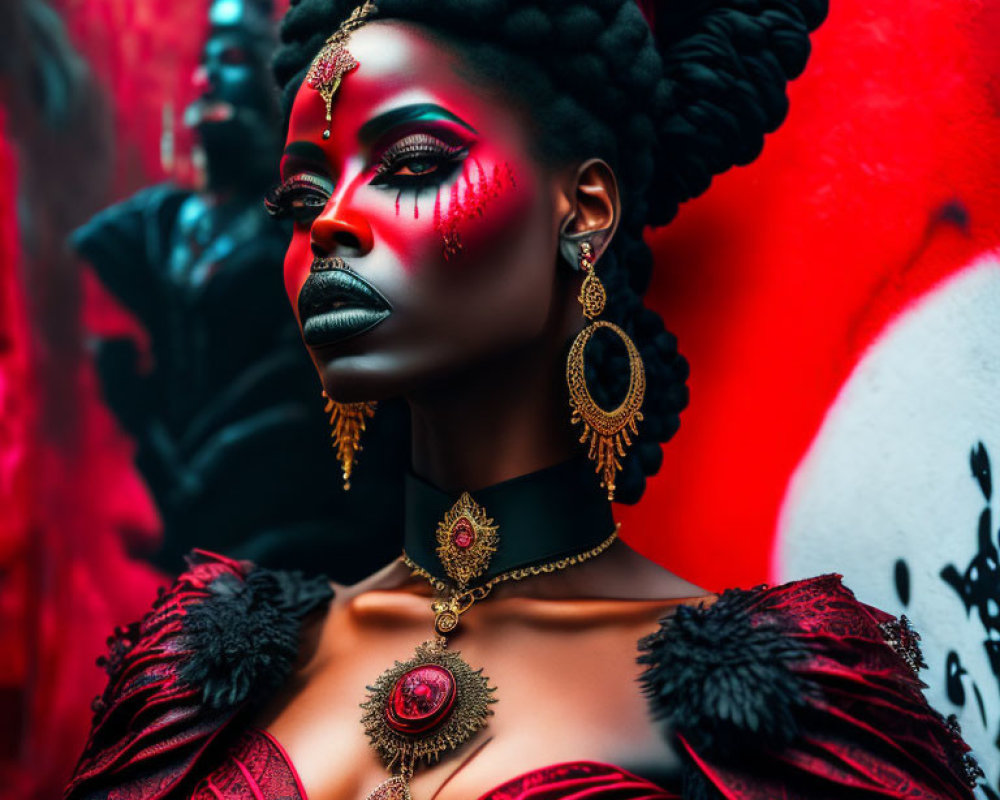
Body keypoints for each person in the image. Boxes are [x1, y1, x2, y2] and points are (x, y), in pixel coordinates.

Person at [65, 1, 983, 798]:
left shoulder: (772, 712)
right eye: (304, 195)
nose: (332, 221)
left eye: (412, 161)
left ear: (582, 210)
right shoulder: (205, 677)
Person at [70, 0, 407, 579]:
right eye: (203, 62)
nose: (204, 81)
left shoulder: (326, 237)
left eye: (227, 57)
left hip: (300, 549)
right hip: (161, 539)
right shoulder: (145, 232)